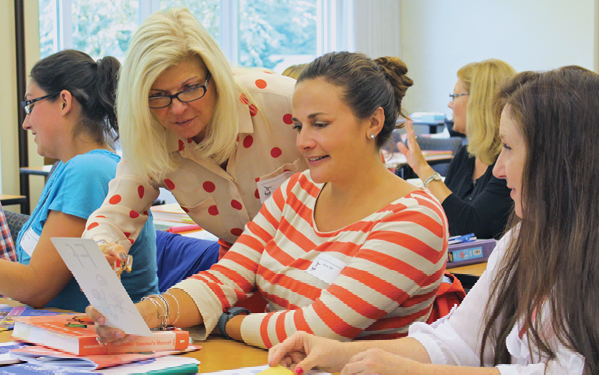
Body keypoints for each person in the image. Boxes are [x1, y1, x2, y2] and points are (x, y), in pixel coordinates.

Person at [269, 66, 599, 375]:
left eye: (509, 149)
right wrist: (336, 353)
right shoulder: (523, 240)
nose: (499, 169)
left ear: (558, 161)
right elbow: (461, 342)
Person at [88, 51, 451, 349]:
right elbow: (225, 278)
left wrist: (228, 324)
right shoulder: (299, 189)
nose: (303, 142)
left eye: (319, 124)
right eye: (298, 126)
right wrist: (146, 314)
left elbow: (320, 327)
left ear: (372, 122)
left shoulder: (413, 219)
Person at [82, 8, 306, 279]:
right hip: (244, 269)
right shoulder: (151, 137)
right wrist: (102, 248)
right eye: (158, 96)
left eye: (189, 88)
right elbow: (113, 215)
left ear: (215, 77)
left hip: (326, 259)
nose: (177, 109)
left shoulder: (282, 101)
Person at [0, 50, 158, 312]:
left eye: (30, 105)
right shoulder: (67, 167)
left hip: (106, 339)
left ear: (64, 102)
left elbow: (37, 287)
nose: (26, 123)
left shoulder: (89, 171)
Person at [398, 59, 515, 239]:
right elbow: (442, 217)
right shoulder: (466, 156)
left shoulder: (509, 164)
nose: (449, 104)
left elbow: (473, 227)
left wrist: (423, 169)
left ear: (479, 101)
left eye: (454, 96)